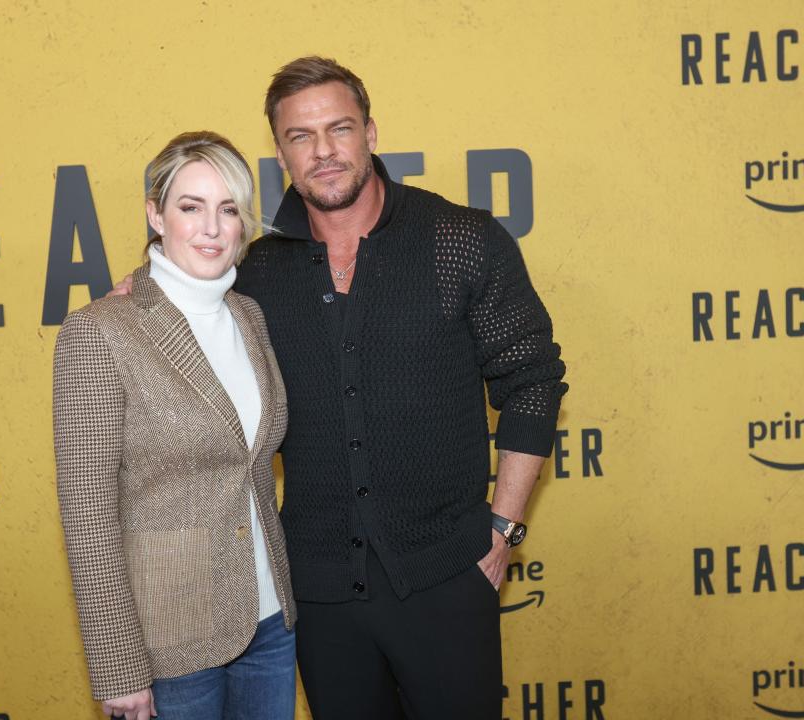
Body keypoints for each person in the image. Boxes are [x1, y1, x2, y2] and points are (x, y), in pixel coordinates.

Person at [113, 57, 567, 720]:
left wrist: (501, 527)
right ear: (280, 153)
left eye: (339, 129)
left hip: (447, 576)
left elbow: (533, 377)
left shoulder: (460, 241)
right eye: (301, 136)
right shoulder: (254, 270)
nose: (323, 152)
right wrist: (139, 289)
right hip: (318, 594)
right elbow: (182, 277)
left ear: (372, 133)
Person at [53, 131, 296, 720]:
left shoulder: (249, 315)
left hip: (270, 621)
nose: (211, 227)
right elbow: (88, 513)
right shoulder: (100, 332)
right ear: (155, 214)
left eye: (228, 208)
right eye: (191, 207)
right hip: (169, 642)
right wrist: (118, 665)